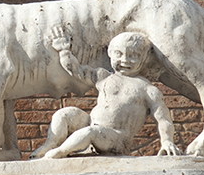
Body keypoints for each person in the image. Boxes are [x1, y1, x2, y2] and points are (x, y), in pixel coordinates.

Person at [30, 28, 181, 159]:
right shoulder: (104, 77)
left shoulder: (148, 90)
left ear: (144, 58)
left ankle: (60, 152)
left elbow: (163, 119)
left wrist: (167, 141)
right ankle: (49, 145)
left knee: (92, 132)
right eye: (119, 54)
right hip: (91, 125)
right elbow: (76, 71)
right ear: (110, 53)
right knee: (65, 113)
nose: (125, 60)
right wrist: (64, 50)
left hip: (116, 138)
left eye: (133, 55)